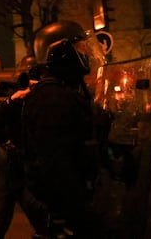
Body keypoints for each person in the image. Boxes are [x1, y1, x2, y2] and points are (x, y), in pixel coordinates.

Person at [22, 20, 101, 238]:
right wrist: (80, 214)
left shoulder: (61, 92)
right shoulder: (52, 99)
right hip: (61, 211)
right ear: (61, 52)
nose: (85, 55)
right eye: (81, 49)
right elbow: (56, 166)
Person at [0, 66, 50, 239]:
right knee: (5, 207)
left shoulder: (41, 101)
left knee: (27, 204)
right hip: (14, 159)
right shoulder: (15, 101)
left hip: (27, 160)